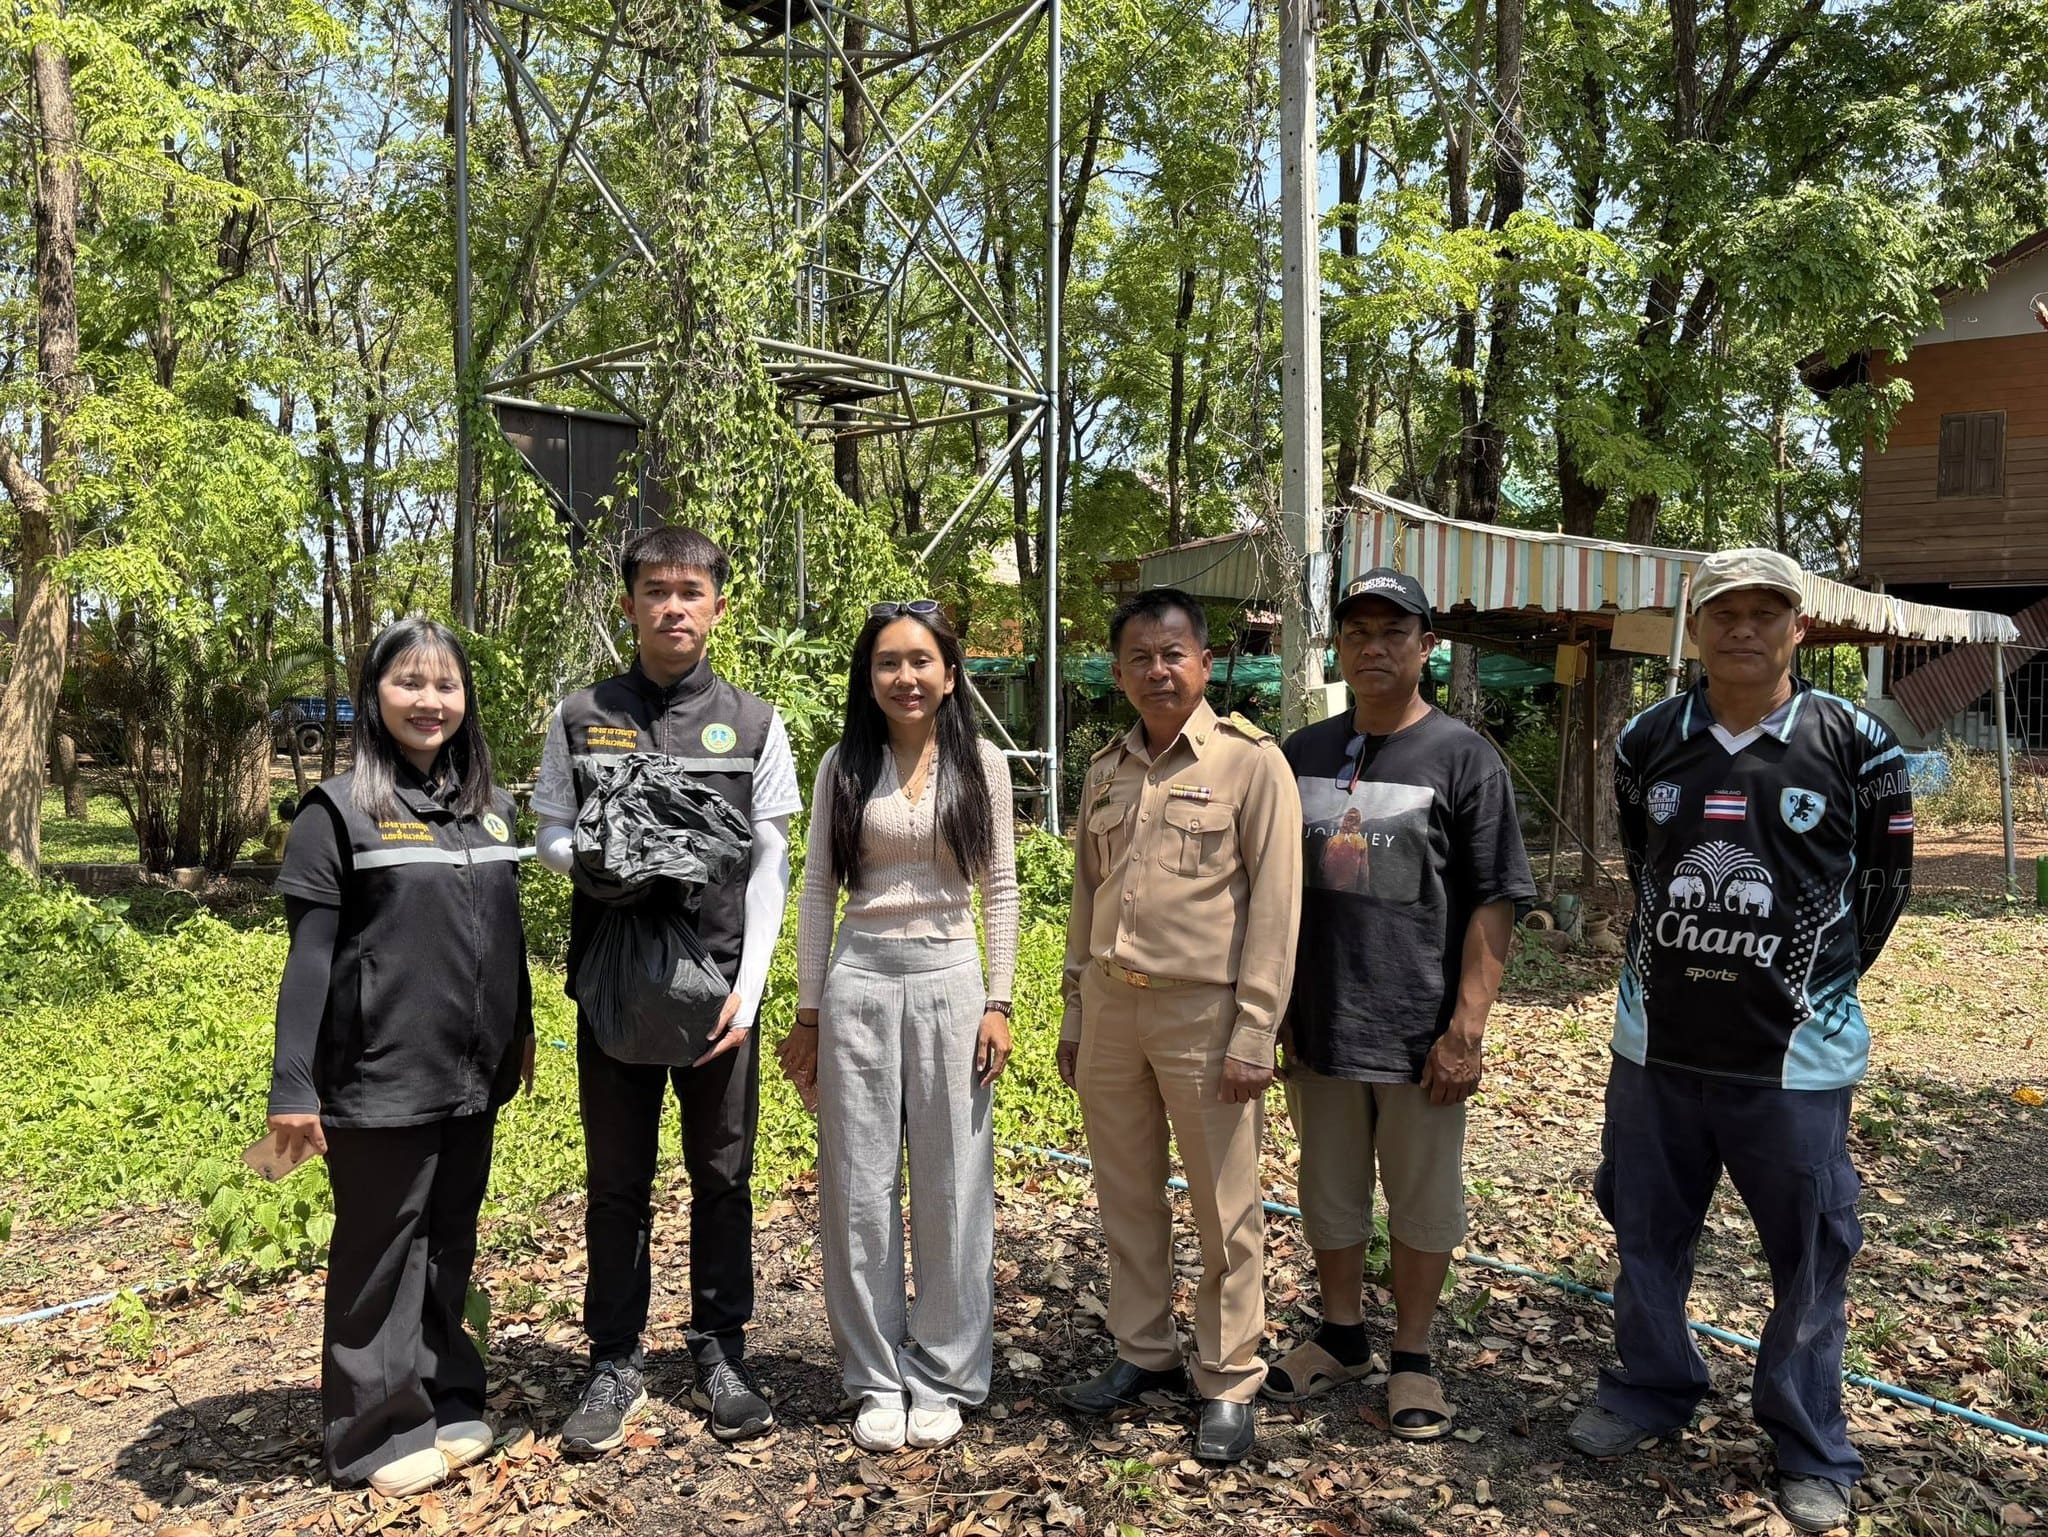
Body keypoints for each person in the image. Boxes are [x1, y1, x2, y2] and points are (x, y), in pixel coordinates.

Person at [1569, 548, 1913, 1535]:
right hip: (1656, 1051)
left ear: (1798, 627)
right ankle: (1648, 1386)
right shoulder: (1646, 741)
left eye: (1766, 611)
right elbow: (1643, 865)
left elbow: (1884, 887)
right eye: (1724, 611)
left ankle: (1809, 1442)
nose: (1743, 628)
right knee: (1643, 1230)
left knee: (1808, 1255)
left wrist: (1813, 984)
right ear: (1694, 626)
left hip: (1795, 1060)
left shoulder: (1854, 741)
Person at [532, 526, 803, 1452]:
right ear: (630, 603)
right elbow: (551, 832)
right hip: (614, 989)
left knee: (722, 1175)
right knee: (617, 1179)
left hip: (719, 990)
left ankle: (721, 1346)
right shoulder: (580, 716)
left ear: (718, 606)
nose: (674, 606)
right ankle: (613, 1358)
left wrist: (753, 989)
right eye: (656, 590)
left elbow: (771, 859)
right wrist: (605, 856)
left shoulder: (755, 722)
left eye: (692, 591)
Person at [1260, 569, 1533, 1438]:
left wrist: (1468, 1028)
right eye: (1356, 632)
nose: (1372, 647)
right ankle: (1342, 1336)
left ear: (1426, 646)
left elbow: (1496, 897)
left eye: (1392, 631)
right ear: (1339, 647)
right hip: (1319, 1023)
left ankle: (1413, 1356)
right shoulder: (1297, 754)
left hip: (1419, 1032)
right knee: (1327, 1192)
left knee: (1422, 1199)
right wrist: (1267, 1008)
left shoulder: (1463, 757)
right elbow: (1265, 891)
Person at [267, 617, 535, 1496]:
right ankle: (373, 1433)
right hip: (381, 1072)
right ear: (373, 696)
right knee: (381, 1250)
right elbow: (310, 960)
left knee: (449, 1242)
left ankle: (447, 1396)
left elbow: (503, 929)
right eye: (410, 684)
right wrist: (292, 1087)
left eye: (447, 685)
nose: (431, 701)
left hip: (473, 1069)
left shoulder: (485, 807)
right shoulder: (337, 810)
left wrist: (520, 1028)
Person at [1053, 588, 1303, 1466]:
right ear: (1119, 671)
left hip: (1206, 1012)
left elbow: (1277, 906)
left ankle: (1229, 1374)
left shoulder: (1249, 763)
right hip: (1115, 1007)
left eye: (1173, 653)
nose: (1157, 669)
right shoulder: (1105, 768)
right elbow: (1088, 897)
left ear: (1204, 662)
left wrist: (1255, 1030)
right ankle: (1144, 1349)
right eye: (1139, 657)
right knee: (1125, 1192)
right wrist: (1076, 1011)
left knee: (1226, 1208)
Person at [776, 601, 1020, 1454]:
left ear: (950, 673)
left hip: (954, 983)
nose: (905, 677)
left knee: (955, 1184)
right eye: (887, 662)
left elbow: (1000, 888)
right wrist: (808, 1009)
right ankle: (876, 1376)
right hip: (861, 985)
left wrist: (1000, 998)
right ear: (867, 675)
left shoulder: (980, 761)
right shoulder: (843, 764)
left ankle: (944, 1372)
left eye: (921, 661)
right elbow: (816, 891)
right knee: (859, 1187)